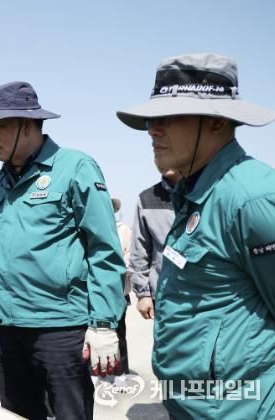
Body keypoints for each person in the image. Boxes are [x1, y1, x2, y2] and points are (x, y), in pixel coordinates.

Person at [0, 81, 126, 420]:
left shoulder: (74, 168)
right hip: (8, 327)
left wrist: (103, 323)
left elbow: (103, 250)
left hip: (60, 327)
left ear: (27, 125)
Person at [117, 53, 275, 418]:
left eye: (168, 118)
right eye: (151, 120)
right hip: (192, 404)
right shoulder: (194, 193)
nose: (152, 130)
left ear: (216, 121)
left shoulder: (252, 197)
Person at [128, 162, 181, 320]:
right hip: (164, 297)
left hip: (204, 296)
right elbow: (139, 250)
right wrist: (143, 294)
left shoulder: (208, 192)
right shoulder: (146, 199)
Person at [112, 197, 131, 375]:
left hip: (118, 290)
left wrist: (110, 270)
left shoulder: (123, 230)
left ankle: (121, 373)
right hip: (93, 291)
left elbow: (130, 257)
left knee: (119, 333)